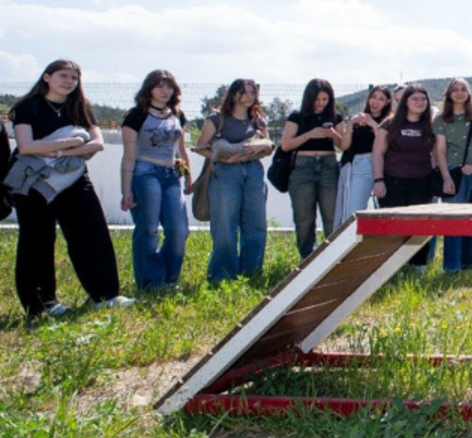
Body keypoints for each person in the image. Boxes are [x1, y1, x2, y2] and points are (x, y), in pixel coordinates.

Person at [6, 59, 132, 320]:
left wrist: (60, 150)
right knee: (37, 241)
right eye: (63, 76)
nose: (69, 82)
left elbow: (97, 143)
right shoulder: (27, 106)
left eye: (74, 78)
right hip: (35, 184)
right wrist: (72, 142)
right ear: (47, 77)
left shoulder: (80, 107)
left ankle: (105, 296)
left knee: (92, 233)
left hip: (75, 180)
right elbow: (27, 146)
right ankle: (42, 304)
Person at [195, 78, 274, 284]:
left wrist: (262, 146)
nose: (249, 96)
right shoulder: (217, 119)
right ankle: (222, 276)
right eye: (244, 92)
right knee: (225, 226)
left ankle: (251, 273)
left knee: (255, 224)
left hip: (254, 172)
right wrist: (223, 157)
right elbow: (200, 147)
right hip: (225, 172)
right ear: (233, 94)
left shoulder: (259, 120)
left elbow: (268, 147)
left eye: (252, 92)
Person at [120, 69, 192, 290]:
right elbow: (128, 155)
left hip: (171, 175)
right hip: (144, 172)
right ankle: (150, 281)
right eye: (159, 86)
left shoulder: (177, 115)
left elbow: (181, 150)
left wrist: (188, 177)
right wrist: (126, 191)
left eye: (169, 86)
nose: (165, 91)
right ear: (149, 88)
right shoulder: (135, 116)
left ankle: (170, 278)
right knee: (148, 228)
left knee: (179, 229)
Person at [372, 83, 453, 271]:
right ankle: (389, 269)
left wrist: (446, 178)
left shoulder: (431, 126)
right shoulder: (389, 124)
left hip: (422, 183)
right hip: (392, 182)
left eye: (423, 99)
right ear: (405, 102)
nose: (420, 102)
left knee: (419, 226)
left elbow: (437, 153)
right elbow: (377, 154)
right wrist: (378, 180)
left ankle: (418, 267)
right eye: (415, 99)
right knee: (394, 227)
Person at [281, 79, 344, 259]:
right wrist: (309, 134)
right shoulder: (296, 116)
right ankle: (307, 258)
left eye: (325, 99)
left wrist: (333, 134)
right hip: (302, 167)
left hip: (329, 166)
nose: (321, 103)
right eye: (317, 99)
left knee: (332, 215)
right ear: (309, 98)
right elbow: (286, 145)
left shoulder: (335, 116)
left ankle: (333, 257)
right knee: (304, 217)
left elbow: (344, 146)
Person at [433, 78, 472, 273]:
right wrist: (446, 177)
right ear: (449, 94)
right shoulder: (441, 118)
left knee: (471, 218)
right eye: (455, 89)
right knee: (453, 218)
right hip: (452, 172)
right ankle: (451, 267)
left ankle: (469, 263)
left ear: (469, 92)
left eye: (463, 89)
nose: (459, 92)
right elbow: (439, 150)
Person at [334, 85, 392, 229]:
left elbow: (388, 144)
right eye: (373, 97)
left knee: (387, 212)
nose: (376, 102)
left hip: (385, 167)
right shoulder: (359, 118)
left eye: (381, 99)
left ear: (387, 103)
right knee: (353, 211)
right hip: (359, 166)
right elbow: (345, 146)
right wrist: (351, 124)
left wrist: (374, 126)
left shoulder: (390, 121)